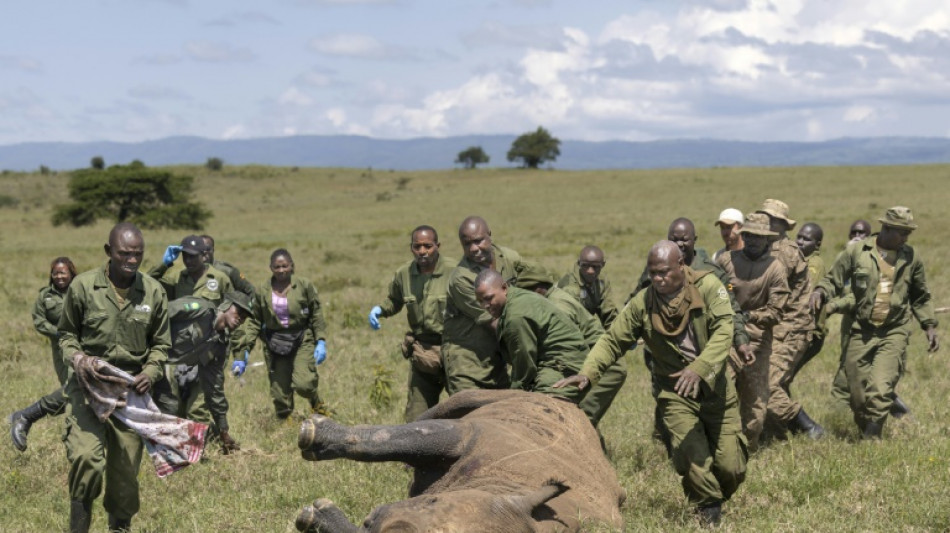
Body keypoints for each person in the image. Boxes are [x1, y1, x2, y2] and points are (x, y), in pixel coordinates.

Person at [555, 241, 746, 527]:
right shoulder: (644, 302)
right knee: (692, 457)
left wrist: (700, 368)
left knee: (731, 467)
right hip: (675, 392)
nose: (658, 279)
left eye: (664, 272)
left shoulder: (708, 287)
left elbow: (724, 331)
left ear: (681, 265)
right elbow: (613, 339)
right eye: (653, 273)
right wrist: (589, 372)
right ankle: (708, 509)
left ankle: (715, 492)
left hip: (716, 387)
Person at [58, 222, 170, 533]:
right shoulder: (82, 287)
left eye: (138, 254)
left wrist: (151, 371)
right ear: (109, 252)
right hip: (88, 388)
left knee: (124, 479)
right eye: (124, 253)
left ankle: (119, 528)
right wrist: (78, 358)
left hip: (129, 393)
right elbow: (67, 336)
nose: (132, 260)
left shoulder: (153, 291)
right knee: (87, 460)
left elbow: (162, 344)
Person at [810, 207, 938, 439]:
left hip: (894, 330)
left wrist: (929, 326)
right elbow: (833, 280)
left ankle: (872, 439)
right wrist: (820, 291)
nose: (906, 238)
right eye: (902, 233)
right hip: (862, 330)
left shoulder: (911, 256)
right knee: (858, 395)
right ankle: (867, 429)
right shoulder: (858, 252)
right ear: (886, 229)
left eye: (908, 233)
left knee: (880, 389)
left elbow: (920, 295)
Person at [631, 218, 753, 454]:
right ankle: (674, 447)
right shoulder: (655, 270)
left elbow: (732, 311)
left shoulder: (711, 272)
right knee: (666, 397)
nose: (679, 243)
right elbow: (636, 301)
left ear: (694, 240)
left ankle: (706, 445)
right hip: (664, 351)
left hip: (702, 349)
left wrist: (741, 341)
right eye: (674, 238)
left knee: (707, 397)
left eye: (684, 239)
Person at [367, 225, 457, 422]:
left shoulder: (455, 271)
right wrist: (380, 310)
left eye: (428, 246)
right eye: (417, 246)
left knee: (464, 408)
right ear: (411, 248)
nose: (422, 251)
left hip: (455, 349)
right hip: (422, 350)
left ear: (438, 246)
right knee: (417, 416)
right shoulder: (404, 274)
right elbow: (394, 300)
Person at [516, 265, 625, 426]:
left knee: (580, 420)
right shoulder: (552, 298)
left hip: (605, 365)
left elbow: (564, 348)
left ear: (538, 290)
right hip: (592, 357)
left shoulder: (559, 307)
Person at [716, 213, 789, 450]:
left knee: (756, 410)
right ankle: (720, 447)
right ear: (743, 235)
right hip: (726, 337)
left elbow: (777, 312)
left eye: (759, 237)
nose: (753, 240)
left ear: (768, 240)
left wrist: (750, 316)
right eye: (748, 235)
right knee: (721, 393)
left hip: (758, 343)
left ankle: (748, 452)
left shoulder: (775, 269)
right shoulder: (726, 261)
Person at [232, 249, 331, 419]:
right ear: (271, 267)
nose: (281, 270)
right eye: (277, 267)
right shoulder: (263, 291)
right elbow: (255, 321)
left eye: (285, 266)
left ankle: (316, 403)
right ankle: (286, 426)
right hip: (275, 342)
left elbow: (316, 314)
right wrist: (245, 350)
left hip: (301, 338)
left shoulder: (303, 285)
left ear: (291, 266)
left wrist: (320, 340)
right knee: (280, 395)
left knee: (304, 384)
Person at [756, 199, 824, 441]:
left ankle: (808, 428)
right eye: (763, 217)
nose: (765, 222)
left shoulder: (783, 252)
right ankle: (775, 436)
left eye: (770, 219)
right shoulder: (766, 248)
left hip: (790, 329)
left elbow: (765, 290)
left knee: (767, 385)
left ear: (782, 225)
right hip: (775, 326)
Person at [442, 216, 532, 394]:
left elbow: (537, 284)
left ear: (489, 235)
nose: (474, 249)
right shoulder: (461, 278)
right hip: (468, 363)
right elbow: (493, 321)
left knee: (501, 416)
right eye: (467, 244)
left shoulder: (507, 258)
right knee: (468, 417)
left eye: (478, 241)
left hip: (497, 358)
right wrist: (528, 351)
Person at [474, 269, 587, 403]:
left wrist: (514, 396)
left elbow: (524, 365)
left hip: (563, 365)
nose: (485, 305)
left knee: (544, 406)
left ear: (504, 288)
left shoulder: (515, 317)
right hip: (553, 360)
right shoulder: (516, 298)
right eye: (480, 301)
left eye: (488, 298)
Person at [166, 291, 253, 453]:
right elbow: (162, 311)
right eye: (238, 312)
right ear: (226, 306)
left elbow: (214, 387)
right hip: (146, 353)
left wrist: (223, 430)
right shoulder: (200, 309)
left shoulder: (220, 346)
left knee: (174, 410)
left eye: (245, 317)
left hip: (168, 364)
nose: (241, 318)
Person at [9, 257, 78, 451]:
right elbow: (39, 321)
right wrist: (57, 332)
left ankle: (26, 416)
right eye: (55, 273)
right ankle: (27, 416)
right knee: (73, 389)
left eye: (63, 272)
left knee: (77, 391)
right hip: (61, 349)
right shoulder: (45, 296)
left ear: (71, 273)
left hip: (84, 347)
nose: (59, 276)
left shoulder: (80, 291)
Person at [790, 223, 827, 377]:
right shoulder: (799, 260)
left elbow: (805, 293)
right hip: (799, 328)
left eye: (806, 239)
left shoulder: (814, 264)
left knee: (780, 378)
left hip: (810, 332)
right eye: (799, 237)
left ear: (817, 244)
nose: (800, 241)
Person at [556, 245, 619, 328]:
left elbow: (609, 313)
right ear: (579, 263)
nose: (590, 271)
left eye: (595, 266)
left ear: (603, 265)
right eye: (585, 265)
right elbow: (569, 322)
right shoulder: (570, 288)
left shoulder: (601, 281)